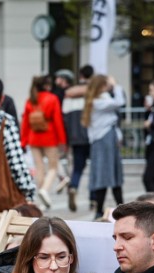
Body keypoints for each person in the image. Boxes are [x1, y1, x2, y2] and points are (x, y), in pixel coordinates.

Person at [81, 75, 125, 220]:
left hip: (103, 140)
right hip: (104, 140)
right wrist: (116, 85)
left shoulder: (95, 100)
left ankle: (102, 210)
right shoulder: (99, 101)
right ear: (101, 86)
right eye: (106, 84)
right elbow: (120, 102)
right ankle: (115, 209)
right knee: (107, 175)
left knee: (106, 175)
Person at [20, 75, 66, 210]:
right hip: (49, 137)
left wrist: (23, 141)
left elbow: (25, 123)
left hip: (34, 138)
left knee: (39, 168)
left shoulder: (30, 100)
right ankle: (44, 190)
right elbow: (57, 121)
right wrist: (62, 140)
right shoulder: (52, 99)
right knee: (53, 167)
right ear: (46, 85)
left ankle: (42, 199)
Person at [61, 64, 94, 212]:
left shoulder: (69, 95)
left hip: (75, 136)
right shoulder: (94, 93)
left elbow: (65, 117)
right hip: (92, 135)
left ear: (80, 76)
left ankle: (73, 186)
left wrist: (67, 139)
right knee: (95, 168)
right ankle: (93, 198)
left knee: (77, 168)